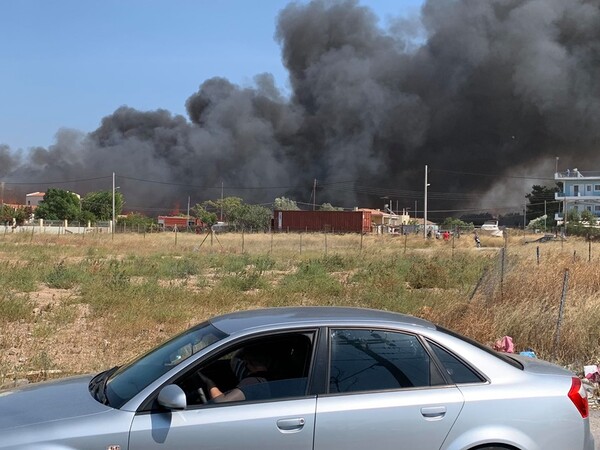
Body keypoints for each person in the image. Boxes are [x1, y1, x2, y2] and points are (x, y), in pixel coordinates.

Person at [200, 345, 271, 403]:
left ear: (247, 362)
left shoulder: (253, 382)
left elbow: (222, 402)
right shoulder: (270, 376)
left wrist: (209, 383)